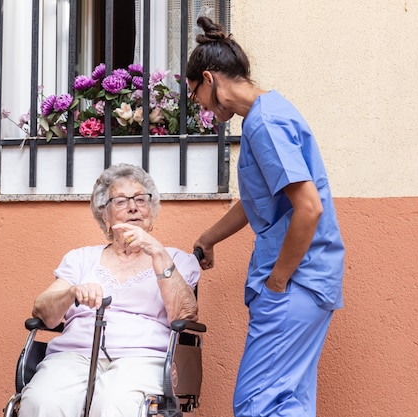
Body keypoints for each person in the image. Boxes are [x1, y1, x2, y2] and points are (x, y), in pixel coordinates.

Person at [187, 16, 345, 417]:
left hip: (294, 284)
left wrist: (277, 282)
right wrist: (209, 237)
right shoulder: (269, 111)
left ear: (209, 79)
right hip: (311, 281)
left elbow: (309, 207)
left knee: (257, 404)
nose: (201, 108)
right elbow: (262, 199)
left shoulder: (265, 124)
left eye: (195, 96)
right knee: (287, 401)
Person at [18, 163, 200, 417]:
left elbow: (186, 317)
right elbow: (44, 312)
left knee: (115, 404)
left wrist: (157, 253)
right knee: (42, 401)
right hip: (74, 356)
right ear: (105, 214)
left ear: (151, 210)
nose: (134, 207)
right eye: (122, 201)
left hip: (143, 359)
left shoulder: (176, 260)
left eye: (141, 199)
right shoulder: (81, 259)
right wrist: (72, 292)